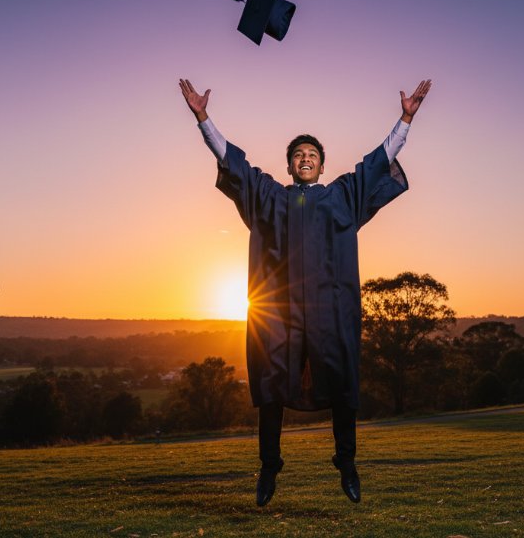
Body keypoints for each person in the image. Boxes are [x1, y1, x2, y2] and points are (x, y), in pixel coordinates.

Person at [179, 77, 431, 506]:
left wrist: (405, 118)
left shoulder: (340, 197)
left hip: (331, 310)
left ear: (321, 165)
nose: (306, 158)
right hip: (278, 313)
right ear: (290, 165)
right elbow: (234, 163)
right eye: (299, 154)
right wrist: (203, 118)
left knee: (343, 383)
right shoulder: (271, 196)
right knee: (272, 382)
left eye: (313, 154)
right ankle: (269, 466)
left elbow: (376, 163)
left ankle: (347, 463)